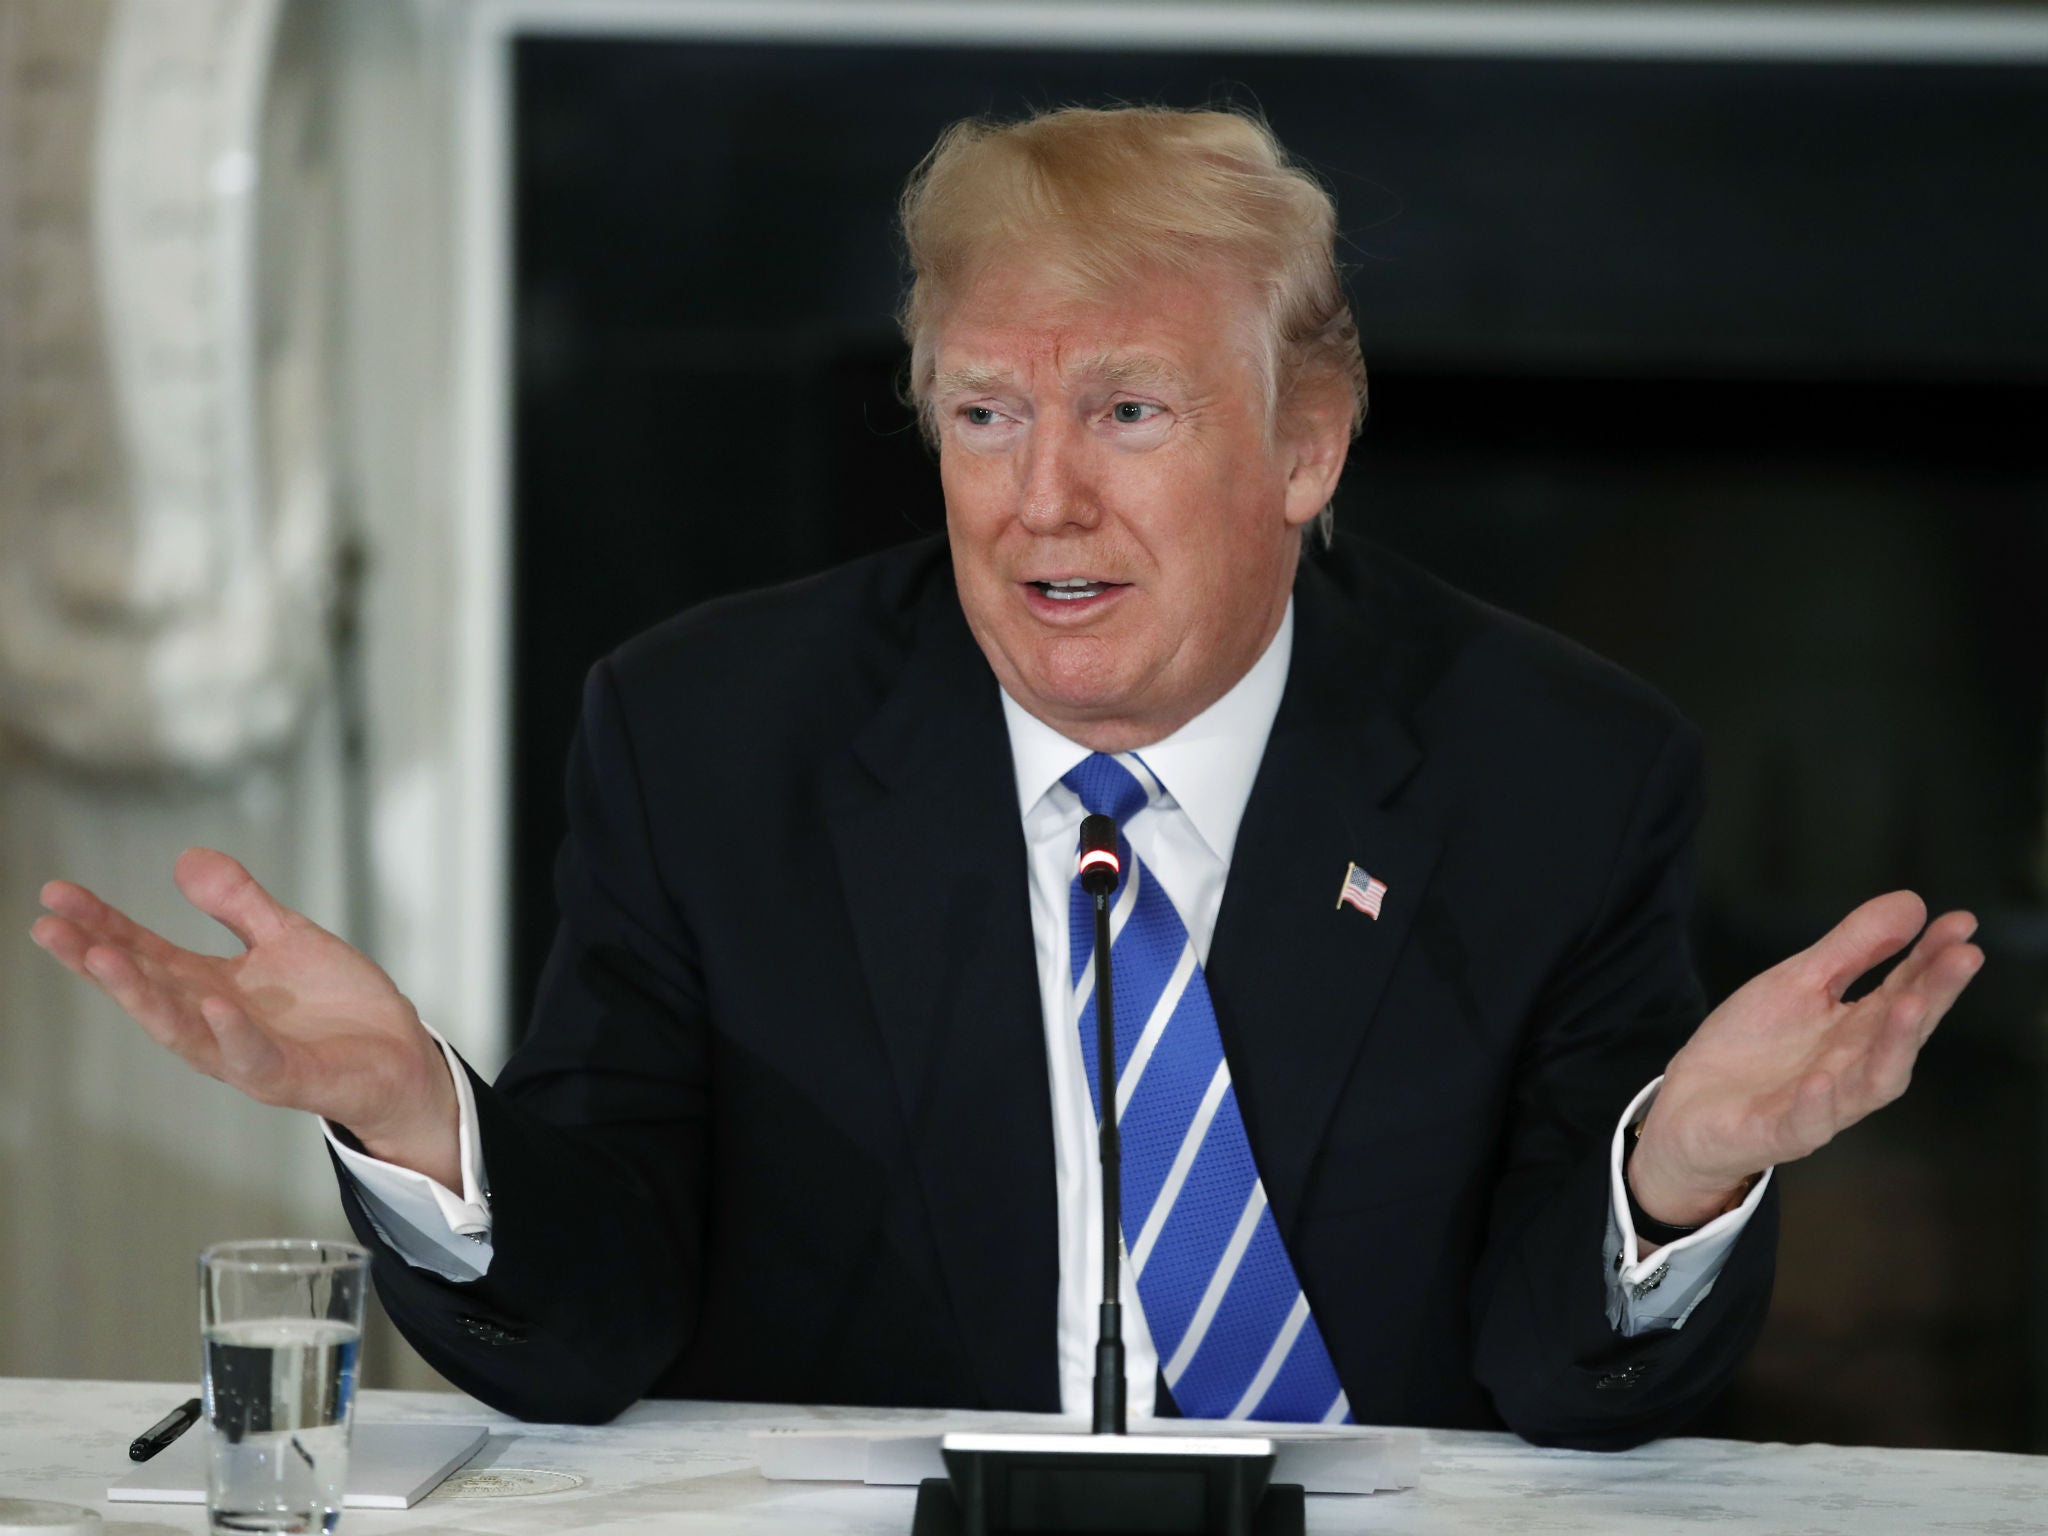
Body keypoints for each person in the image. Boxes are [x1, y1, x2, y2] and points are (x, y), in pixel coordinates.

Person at [30, 105, 1982, 1447]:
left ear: (1307, 445)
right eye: (982, 413)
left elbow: (1563, 1378)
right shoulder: (717, 736)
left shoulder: (1550, 766)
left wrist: (1676, 1167)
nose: (1041, 497)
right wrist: (420, 1117)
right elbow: (601, 1312)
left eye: (1128, 412)